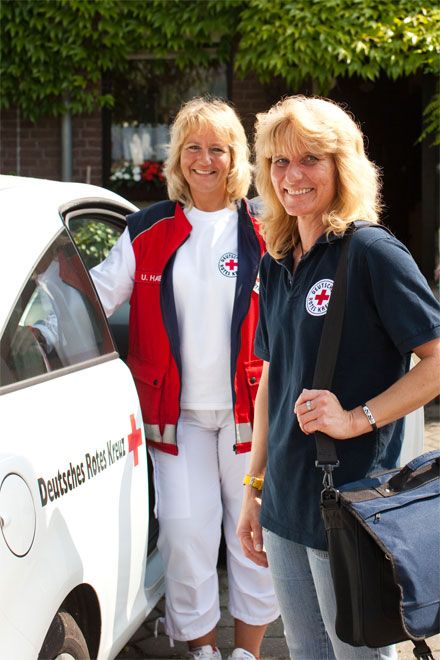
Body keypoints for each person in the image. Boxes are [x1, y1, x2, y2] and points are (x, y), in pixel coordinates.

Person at [236, 95, 440, 660]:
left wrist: (358, 418)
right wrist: (254, 489)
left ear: (341, 166)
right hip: (284, 507)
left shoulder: (371, 251)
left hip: (351, 506)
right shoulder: (276, 259)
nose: (292, 175)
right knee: (306, 652)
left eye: (310, 159)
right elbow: (271, 383)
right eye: (279, 161)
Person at [91, 97, 279, 660]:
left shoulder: (267, 228)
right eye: (193, 147)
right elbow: (95, 296)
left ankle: (245, 652)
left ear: (235, 157)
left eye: (217, 148)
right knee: (183, 531)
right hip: (177, 418)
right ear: (177, 157)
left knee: (253, 536)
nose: (204, 159)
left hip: (251, 412)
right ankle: (202, 649)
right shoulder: (146, 230)